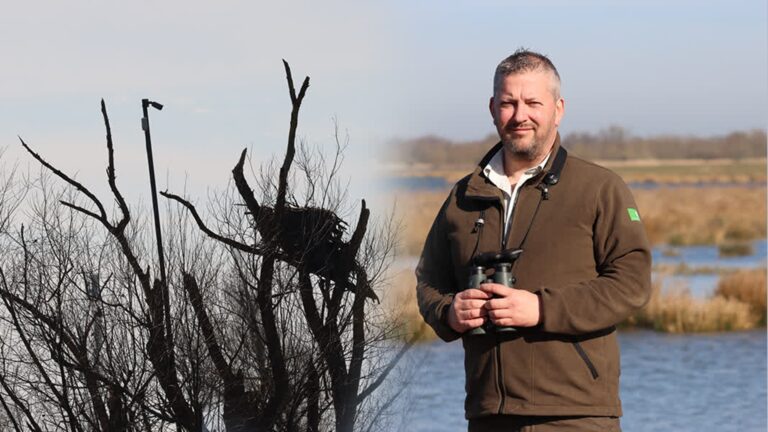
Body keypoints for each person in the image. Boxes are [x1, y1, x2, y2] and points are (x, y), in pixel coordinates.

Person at [415, 49, 652, 432]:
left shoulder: (600, 188)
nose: (520, 115)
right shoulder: (462, 197)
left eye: (532, 102)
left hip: (576, 416)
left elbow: (631, 283)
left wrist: (541, 309)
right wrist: (449, 312)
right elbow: (428, 282)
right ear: (493, 108)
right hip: (488, 415)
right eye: (508, 103)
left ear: (558, 109)